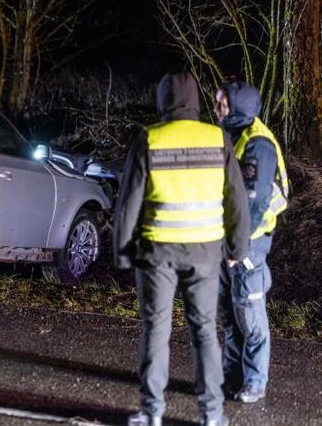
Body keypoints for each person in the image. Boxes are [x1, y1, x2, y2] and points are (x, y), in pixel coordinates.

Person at [114, 72, 250, 426]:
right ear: (195, 101)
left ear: (162, 101)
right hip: (205, 253)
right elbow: (236, 199)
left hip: (157, 254)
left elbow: (130, 201)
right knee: (204, 330)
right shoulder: (217, 137)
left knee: (156, 329)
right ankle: (212, 414)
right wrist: (238, 245)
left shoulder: (150, 138)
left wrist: (123, 251)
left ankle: (152, 412)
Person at [213, 81, 288, 403]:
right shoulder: (232, 135)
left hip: (248, 245)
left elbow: (254, 205)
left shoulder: (258, 144)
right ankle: (232, 381)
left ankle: (254, 383)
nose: (217, 108)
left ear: (238, 106)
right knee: (230, 316)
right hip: (228, 240)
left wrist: (238, 247)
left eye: (222, 103)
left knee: (249, 316)